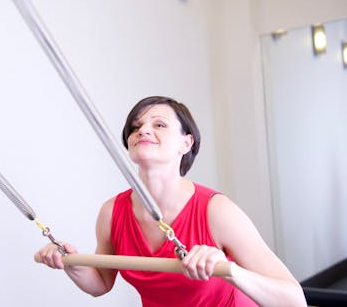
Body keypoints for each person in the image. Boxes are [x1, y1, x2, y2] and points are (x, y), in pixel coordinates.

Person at [36, 96, 307, 306]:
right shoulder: (111, 213)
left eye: (159, 125)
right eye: (136, 127)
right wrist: (69, 262)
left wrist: (228, 270)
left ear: (186, 143)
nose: (143, 131)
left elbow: (294, 300)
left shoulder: (216, 211)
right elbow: (101, 282)